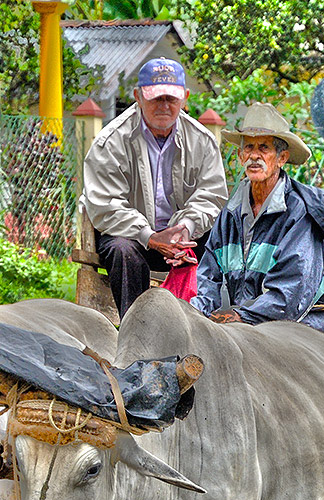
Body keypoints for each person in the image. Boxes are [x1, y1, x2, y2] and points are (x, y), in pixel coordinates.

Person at [81, 58, 228, 319]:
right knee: (122, 250)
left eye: (171, 99)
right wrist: (148, 235)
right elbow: (105, 205)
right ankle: (136, 331)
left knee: (219, 245)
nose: (164, 105)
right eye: (155, 97)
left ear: (185, 98)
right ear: (138, 96)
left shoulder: (202, 141)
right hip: (132, 238)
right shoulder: (111, 141)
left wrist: (186, 228)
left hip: (183, 240)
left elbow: (212, 196)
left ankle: (203, 326)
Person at [190, 103, 324, 336]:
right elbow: (208, 278)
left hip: (300, 329)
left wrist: (242, 316)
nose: (254, 156)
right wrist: (195, 313)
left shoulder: (299, 213)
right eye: (248, 147)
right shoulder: (230, 213)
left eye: (264, 148)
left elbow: (290, 295)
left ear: (282, 159)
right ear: (240, 157)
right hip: (246, 327)